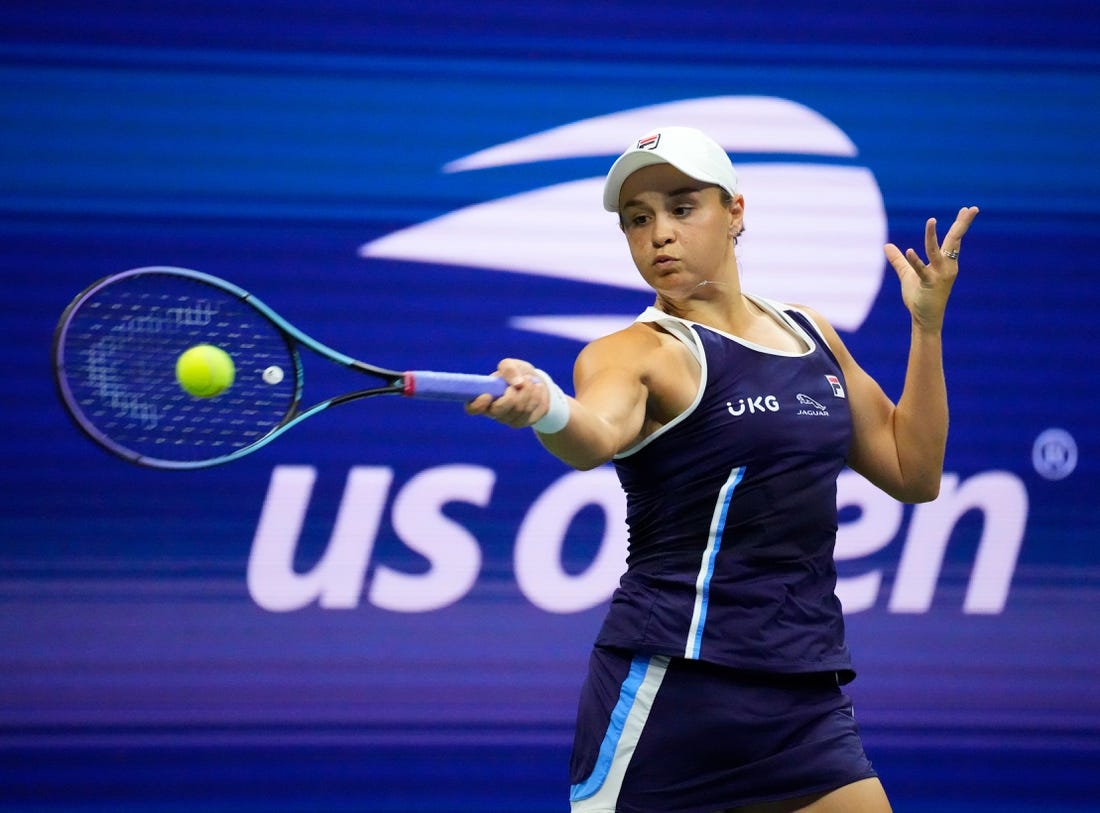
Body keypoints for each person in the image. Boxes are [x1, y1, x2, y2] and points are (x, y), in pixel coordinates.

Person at [466, 126, 979, 813]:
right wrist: (547, 409)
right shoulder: (635, 351)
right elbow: (595, 434)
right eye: (638, 219)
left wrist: (927, 328)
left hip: (803, 693)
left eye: (682, 207)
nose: (659, 235)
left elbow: (913, 471)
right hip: (673, 695)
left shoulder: (811, 334)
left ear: (736, 211)